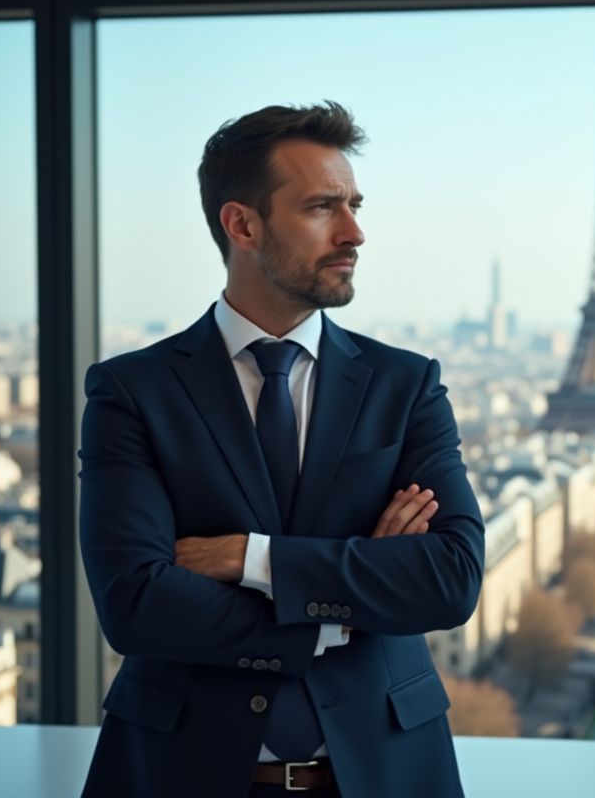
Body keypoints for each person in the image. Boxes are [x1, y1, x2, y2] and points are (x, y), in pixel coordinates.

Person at [78, 103, 484, 798]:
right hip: (184, 776)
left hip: (384, 774)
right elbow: (136, 604)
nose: (355, 232)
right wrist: (346, 605)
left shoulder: (406, 385)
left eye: (354, 204)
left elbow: (450, 579)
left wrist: (251, 558)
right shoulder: (132, 391)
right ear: (242, 225)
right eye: (323, 207)